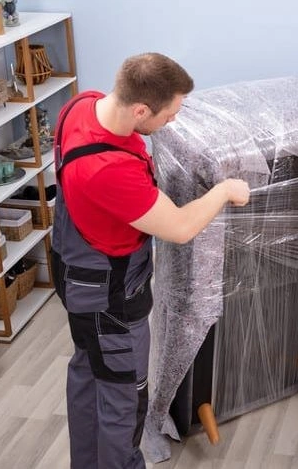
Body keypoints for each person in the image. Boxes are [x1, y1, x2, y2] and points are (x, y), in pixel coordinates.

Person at [51, 53, 250, 469]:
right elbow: (178, 227)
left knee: (90, 377)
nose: (172, 123)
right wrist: (225, 190)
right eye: (170, 114)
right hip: (111, 302)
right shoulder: (107, 170)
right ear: (140, 109)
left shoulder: (80, 106)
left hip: (77, 278)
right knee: (124, 401)